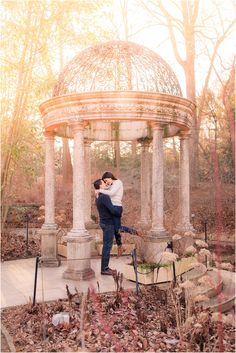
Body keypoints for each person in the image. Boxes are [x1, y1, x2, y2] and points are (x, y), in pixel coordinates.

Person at [94, 179, 140, 275]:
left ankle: (136, 232)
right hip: (108, 223)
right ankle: (104, 269)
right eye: (103, 182)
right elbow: (112, 210)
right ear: (100, 186)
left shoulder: (98, 196)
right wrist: (119, 211)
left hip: (104, 222)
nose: (105, 184)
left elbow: (110, 189)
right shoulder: (105, 197)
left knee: (118, 230)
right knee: (107, 246)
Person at [95, 171, 126, 256]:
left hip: (117, 207)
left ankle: (135, 232)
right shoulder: (111, 185)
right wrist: (99, 190)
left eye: (106, 180)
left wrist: (99, 190)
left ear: (110, 177)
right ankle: (120, 247)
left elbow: (111, 193)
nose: (106, 182)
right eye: (104, 181)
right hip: (112, 208)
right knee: (116, 228)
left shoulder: (118, 182)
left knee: (117, 228)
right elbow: (105, 190)